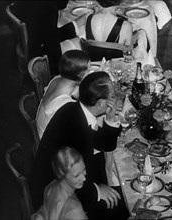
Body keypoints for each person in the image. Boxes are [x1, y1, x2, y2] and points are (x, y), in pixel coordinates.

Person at [29, 71, 129, 220]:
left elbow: (100, 143)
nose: (114, 100)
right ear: (101, 102)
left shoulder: (76, 109)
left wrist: (109, 118)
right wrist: (97, 190)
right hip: (60, 193)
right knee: (123, 205)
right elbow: (71, 177)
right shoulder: (77, 128)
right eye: (111, 96)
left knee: (115, 180)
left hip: (70, 176)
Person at [36, 50, 90, 139]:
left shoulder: (57, 79)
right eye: (88, 70)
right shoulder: (65, 103)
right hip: (49, 141)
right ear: (80, 76)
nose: (90, 73)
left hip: (45, 128)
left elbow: (75, 92)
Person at [58, 0, 133, 60]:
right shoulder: (126, 26)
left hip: (92, 68)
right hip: (115, 69)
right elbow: (129, 54)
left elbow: (66, 31)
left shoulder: (87, 18)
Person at [32, 146, 88, 220]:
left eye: (84, 170)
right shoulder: (75, 209)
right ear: (62, 175)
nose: (84, 178)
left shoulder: (52, 186)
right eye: (77, 175)